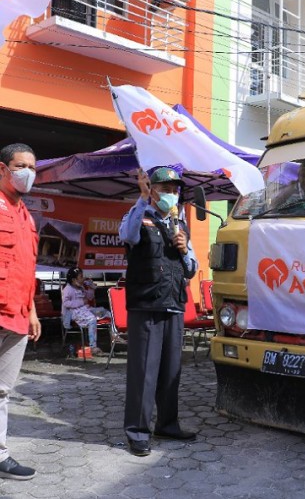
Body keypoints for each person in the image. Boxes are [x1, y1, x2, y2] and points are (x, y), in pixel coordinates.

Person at [119, 166, 198, 457]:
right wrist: (140, 201)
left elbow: (191, 269)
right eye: (164, 188)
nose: (171, 193)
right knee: (144, 372)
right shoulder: (139, 217)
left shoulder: (181, 224)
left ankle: (168, 423)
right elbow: (126, 235)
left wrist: (185, 248)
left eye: (175, 189)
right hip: (146, 305)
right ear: (151, 189)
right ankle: (138, 432)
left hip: (174, 305)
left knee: (170, 371)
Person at [0, 143, 41, 480]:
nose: (27, 172)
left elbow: (26, 268)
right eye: (20, 165)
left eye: (32, 167)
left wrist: (32, 313)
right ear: (3, 169)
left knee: (1, 390)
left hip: (16, 317)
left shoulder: (25, 213)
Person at [61, 268, 108, 356]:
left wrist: (91, 288)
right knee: (92, 319)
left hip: (85, 309)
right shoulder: (68, 289)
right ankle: (93, 346)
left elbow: (89, 297)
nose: (83, 278)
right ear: (74, 280)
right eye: (81, 277)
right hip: (73, 312)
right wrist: (81, 302)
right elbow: (66, 303)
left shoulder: (81, 287)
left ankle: (115, 337)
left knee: (106, 313)